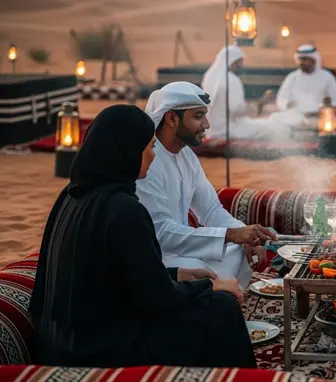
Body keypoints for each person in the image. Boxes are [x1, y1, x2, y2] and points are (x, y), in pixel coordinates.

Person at [29, 105, 257, 368]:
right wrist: (209, 287)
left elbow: (115, 280)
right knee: (221, 309)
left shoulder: (71, 195)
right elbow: (156, 301)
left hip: (59, 341)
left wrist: (178, 275)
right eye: (149, 147)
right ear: (125, 150)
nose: (153, 155)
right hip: (99, 349)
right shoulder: (124, 210)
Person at [136, 81, 277, 289]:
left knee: (238, 250)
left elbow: (210, 210)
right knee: (202, 273)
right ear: (172, 118)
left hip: (184, 250)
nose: (207, 125)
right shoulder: (148, 161)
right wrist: (230, 235)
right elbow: (161, 233)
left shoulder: (186, 156)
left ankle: (220, 295)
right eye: (198, 116)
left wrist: (243, 233)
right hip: (156, 258)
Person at [201, 45, 300, 140]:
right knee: (277, 127)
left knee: (268, 121)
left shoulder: (210, 77)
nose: (242, 65)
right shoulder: (231, 80)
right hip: (229, 130)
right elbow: (237, 110)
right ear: (233, 61)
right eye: (240, 62)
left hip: (212, 130)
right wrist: (261, 103)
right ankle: (281, 152)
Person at [276, 44, 336, 114]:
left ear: (313, 60)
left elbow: (335, 101)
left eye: (305, 59)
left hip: (319, 118)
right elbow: (281, 98)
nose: (301, 63)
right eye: (300, 59)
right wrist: (287, 104)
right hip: (295, 117)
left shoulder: (327, 77)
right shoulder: (292, 77)